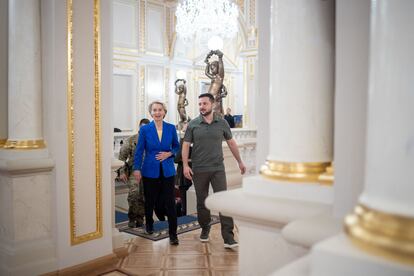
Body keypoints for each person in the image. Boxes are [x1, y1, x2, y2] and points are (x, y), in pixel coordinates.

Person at [182, 93, 246, 249]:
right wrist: (185, 165)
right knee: (202, 202)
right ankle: (205, 228)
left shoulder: (222, 123)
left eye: (204, 103)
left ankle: (228, 238)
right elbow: (185, 145)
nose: (201, 106)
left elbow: (231, 143)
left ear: (212, 105)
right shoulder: (193, 124)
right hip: (199, 169)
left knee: (224, 200)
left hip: (218, 168)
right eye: (199, 104)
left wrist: (240, 162)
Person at [133, 101, 180, 245]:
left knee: (170, 202)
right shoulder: (145, 129)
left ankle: (173, 234)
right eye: (154, 110)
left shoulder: (171, 128)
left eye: (160, 110)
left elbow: (177, 147)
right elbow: (139, 150)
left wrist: (169, 154)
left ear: (164, 112)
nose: (157, 112)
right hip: (149, 170)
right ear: (151, 112)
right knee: (150, 200)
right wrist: (136, 168)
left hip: (168, 171)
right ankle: (149, 225)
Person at [118, 118, 150, 228]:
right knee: (134, 194)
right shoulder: (131, 140)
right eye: (142, 128)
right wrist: (122, 172)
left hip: (149, 173)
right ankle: (132, 218)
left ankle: (141, 218)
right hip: (134, 172)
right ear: (139, 128)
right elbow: (122, 158)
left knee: (145, 196)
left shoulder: (152, 139)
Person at [174, 122, 193, 216]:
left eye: (185, 131)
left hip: (184, 175)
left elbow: (176, 159)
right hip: (190, 173)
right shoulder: (197, 141)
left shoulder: (183, 142)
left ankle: (184, 214)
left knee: (185, 201)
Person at [205, 50, 228, 115]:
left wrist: (220, 57)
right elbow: (206, 73)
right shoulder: (213, 77)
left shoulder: (219, 77)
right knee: (210, 113)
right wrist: (207, 64)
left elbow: (221, 68)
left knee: (215, 113)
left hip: (215, 99)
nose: (212, 70)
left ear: (218, 68)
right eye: (211, 69)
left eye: (213, 68)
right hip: (210, 99)